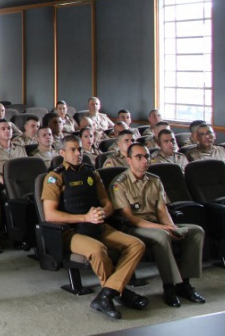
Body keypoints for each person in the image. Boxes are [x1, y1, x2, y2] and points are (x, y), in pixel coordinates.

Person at [42, 135, 147, 319]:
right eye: (73, 150)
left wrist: (102, 214)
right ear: (62, 153)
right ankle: (120, 293)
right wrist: (85, 217)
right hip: (71, 232)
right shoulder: (55, 177)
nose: (78, 153)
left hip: (97, 225)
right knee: (98, 250)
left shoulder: (92, 173)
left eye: (80, 149)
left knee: (136, 245)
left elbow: (107, 203)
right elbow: (50, 214)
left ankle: (107, 294)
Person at [111, 142, 206, 308]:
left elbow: (162, 211)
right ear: (129, 160)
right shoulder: (119, 183)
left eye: (146, 156)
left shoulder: (155, 181)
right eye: (138, 157)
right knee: (162, 236)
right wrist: (164, 229)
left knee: (196, 231)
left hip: (157, 224)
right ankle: (169, 287)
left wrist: (172, 227)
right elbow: (131, 219)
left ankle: (184, 283)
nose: (144, 161)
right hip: (135, 229)